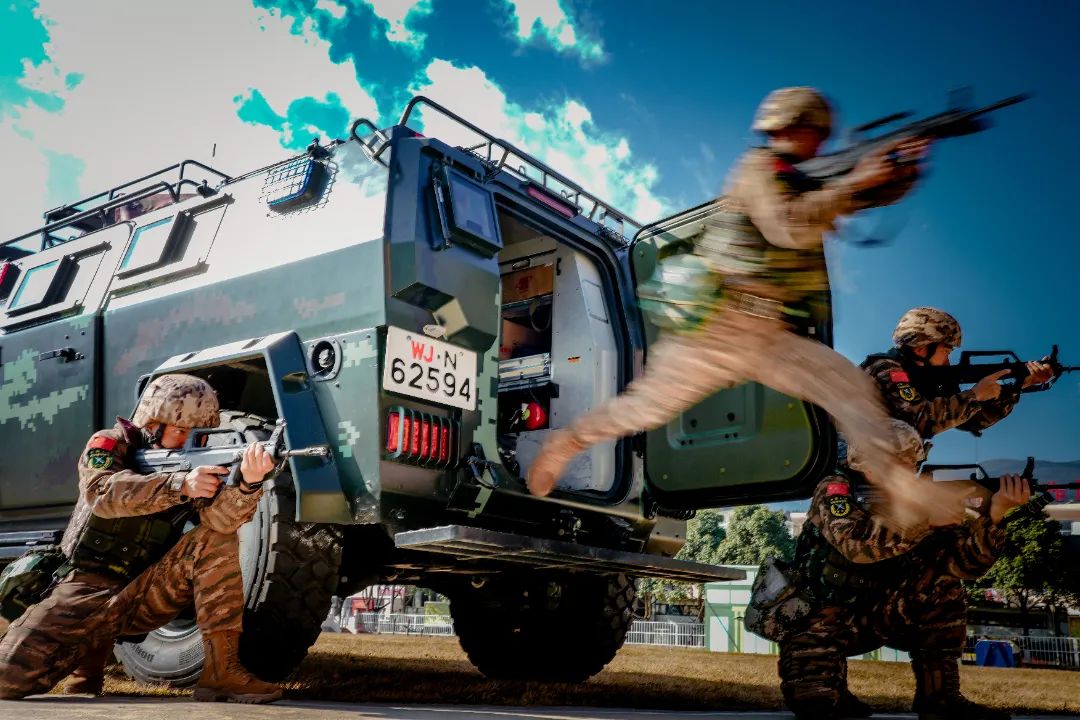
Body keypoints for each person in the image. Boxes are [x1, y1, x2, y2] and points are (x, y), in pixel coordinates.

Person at [526, 86, 942, 523]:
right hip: (718, 328)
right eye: (814, 133)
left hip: (768, 334)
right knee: (645, 408)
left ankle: (896, 486)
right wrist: (857, 181)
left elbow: (855, 196)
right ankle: (567, 442)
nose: (818, 143)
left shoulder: (802, 178)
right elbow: (789, 226)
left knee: (850, 388)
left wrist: (898, 175)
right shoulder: (759, 170)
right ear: (792, 128)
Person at [0, 374, 281, 703]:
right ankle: (86, 663)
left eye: (198, 434)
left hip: (144, 592)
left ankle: (221, 672)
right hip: (82, 585)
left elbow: (221, 521)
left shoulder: (196, 465)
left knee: (216, 538)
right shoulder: (109, 443)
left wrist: (248, 483)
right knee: (7, 681)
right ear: (152, 423)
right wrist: (179, 485)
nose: (188, 441)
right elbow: (100, 494)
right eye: (180, 431)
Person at [768, 419, 1030, 720]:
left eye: (912, 465)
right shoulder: (836, 489)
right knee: (817, 706)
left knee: (944, 585)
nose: (909, 473)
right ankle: (827, 688)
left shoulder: (916, 501)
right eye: (898, 465)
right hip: (819, 621)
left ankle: (940, 697)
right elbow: (855, 545)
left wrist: (995, 515)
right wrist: (924, 519)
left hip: (878, 614)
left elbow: (964, 564)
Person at [862, 306, 1054, 440]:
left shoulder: (929, 379)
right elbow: (921, 420)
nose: (948, 361)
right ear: (921, 348)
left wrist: (1021, 384)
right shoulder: (886, 368)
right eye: (946, 351)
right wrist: (975, 395)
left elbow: (972, 421)